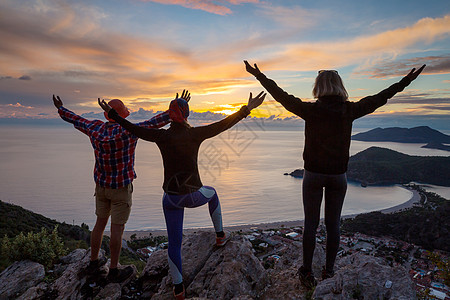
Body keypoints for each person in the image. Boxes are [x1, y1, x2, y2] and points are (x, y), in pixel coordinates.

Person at [244, 61, 425, 288]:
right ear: (340, 87)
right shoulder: (349, 110)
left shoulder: (310, 110)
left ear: (318, 88)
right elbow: (382, 97)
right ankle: (329, 272)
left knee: (310, 224)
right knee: (333, 225)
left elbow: (281, 95)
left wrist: (259, 75)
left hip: (312, 174)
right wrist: (406, 81)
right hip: (338, 177)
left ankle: (306, 272)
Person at [99, 91, 266, 299]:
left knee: (174, 242)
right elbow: (223, 124)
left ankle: (178, 288)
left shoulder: (161, 136)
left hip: (170, 198)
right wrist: (246, 109)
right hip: (192, 195)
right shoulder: (194, 134)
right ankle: (220, 236)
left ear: (170, 116)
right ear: (186, 115)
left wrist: (113, 115)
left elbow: (133, 128)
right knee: (212, 194)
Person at [53, 91, 189, 282]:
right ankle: (114, 269)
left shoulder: (95, 128)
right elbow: (152, 123)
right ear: (123, 115)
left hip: (101, 186)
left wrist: (61, 109)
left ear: (106, 114)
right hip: (121, 188)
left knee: (99, 224)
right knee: (117, 229)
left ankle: (94, 262)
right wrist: (175, 109)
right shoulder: (128, 131)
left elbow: (77, 120)